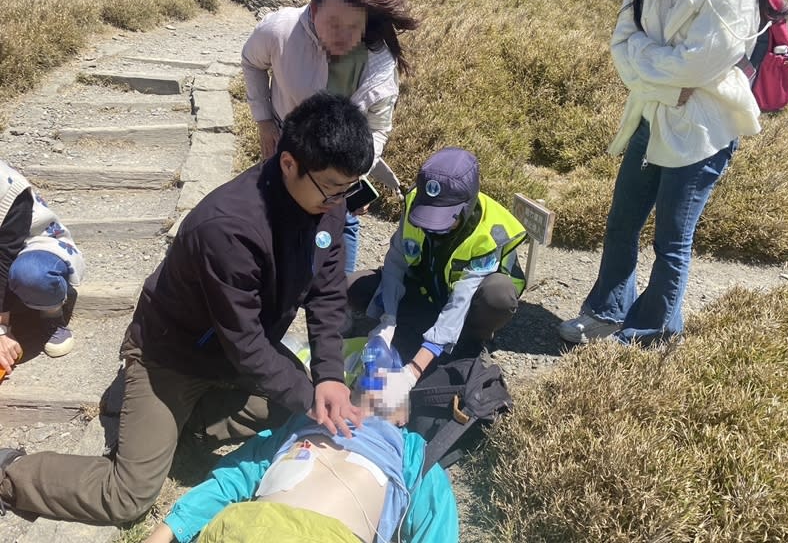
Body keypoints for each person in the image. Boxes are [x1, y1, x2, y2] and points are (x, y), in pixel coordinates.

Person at [0, 93, 374, 524]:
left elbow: (327, 295)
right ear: (289, 162)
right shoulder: (229, 227)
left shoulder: (327, 199)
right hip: (170, 357)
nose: (340, 200)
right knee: (127, 497)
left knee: (303, 400)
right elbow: (247, 345)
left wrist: (328, 377)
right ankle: (12, 473)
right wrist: (312, 396)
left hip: (234, 352)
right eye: (332, 188)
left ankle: (184, 428)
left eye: (349, 188)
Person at [558, 0, 776, 345]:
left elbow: (700, 63)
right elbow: (622, 43)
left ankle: (650, 333)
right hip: (652, 112)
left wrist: (649, 63)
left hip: (702, 128)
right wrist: (666, 77)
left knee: (672, 237)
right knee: (622, 221)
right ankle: (608, 311)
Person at [241, 0, 419, 274]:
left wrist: (357, 173)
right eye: (333, 23)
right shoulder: (281, 30)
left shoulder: (378, 58)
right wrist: (264, 120)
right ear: (313, 10)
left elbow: (378, 125)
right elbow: (251, 60)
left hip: (343, 162)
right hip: (291, 149)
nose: (343, 36)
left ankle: (336, 299)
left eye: (354, 26)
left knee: (341, 222)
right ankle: (280, 285)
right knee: (279, 215)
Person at [347, 147, 528, 403]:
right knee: (354, 286)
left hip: (467, 309)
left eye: (445, 219)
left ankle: (468, 341)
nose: (434, 226)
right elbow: (396, 263)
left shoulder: (489, 233)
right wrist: (387, 319)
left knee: (498, 295)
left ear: (466, 207)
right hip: (425, 291)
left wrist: (413, 371)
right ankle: (414, 327)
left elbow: (459, 303)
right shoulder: (413, 203)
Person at [143, 413, 458, 543]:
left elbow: (436, 528)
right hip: (244, 529)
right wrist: (167, 531)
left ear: (402, 413)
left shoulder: (414, 453)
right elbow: (234, 478)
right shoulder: (299, 425)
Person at [0, 160, 85, 370]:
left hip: (31, 248)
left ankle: (50, 312)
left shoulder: (7, 185)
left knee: (31, 274)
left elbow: (5, 256)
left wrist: (1, 329)